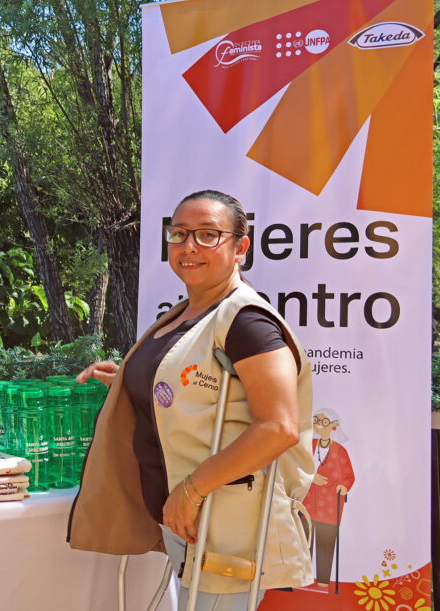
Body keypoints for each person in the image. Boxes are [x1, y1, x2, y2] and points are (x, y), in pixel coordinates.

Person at [67, 190, 314, 609]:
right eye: (179, 233)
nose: (189, 246)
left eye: (207, 235)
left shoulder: (247, 321)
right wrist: (131, 381)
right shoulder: (187, 312)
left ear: (240, 248)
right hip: (184, 515)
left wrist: (192, 490)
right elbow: (192, 389)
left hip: (223, 520)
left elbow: (279, 427)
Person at [303, 407, 354, 590]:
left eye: (323, 422)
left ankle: (323, 582)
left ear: (334, 426)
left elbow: (349, 476)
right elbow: (298, 466)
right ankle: (302, 578)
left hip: (330, 504)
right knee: (304, 540)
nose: (319, 425)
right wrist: (310, 477)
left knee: (325, 544)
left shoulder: (340, 451)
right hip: (307, 501)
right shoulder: (308, 444)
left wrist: (343, 486)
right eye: (316, 421)